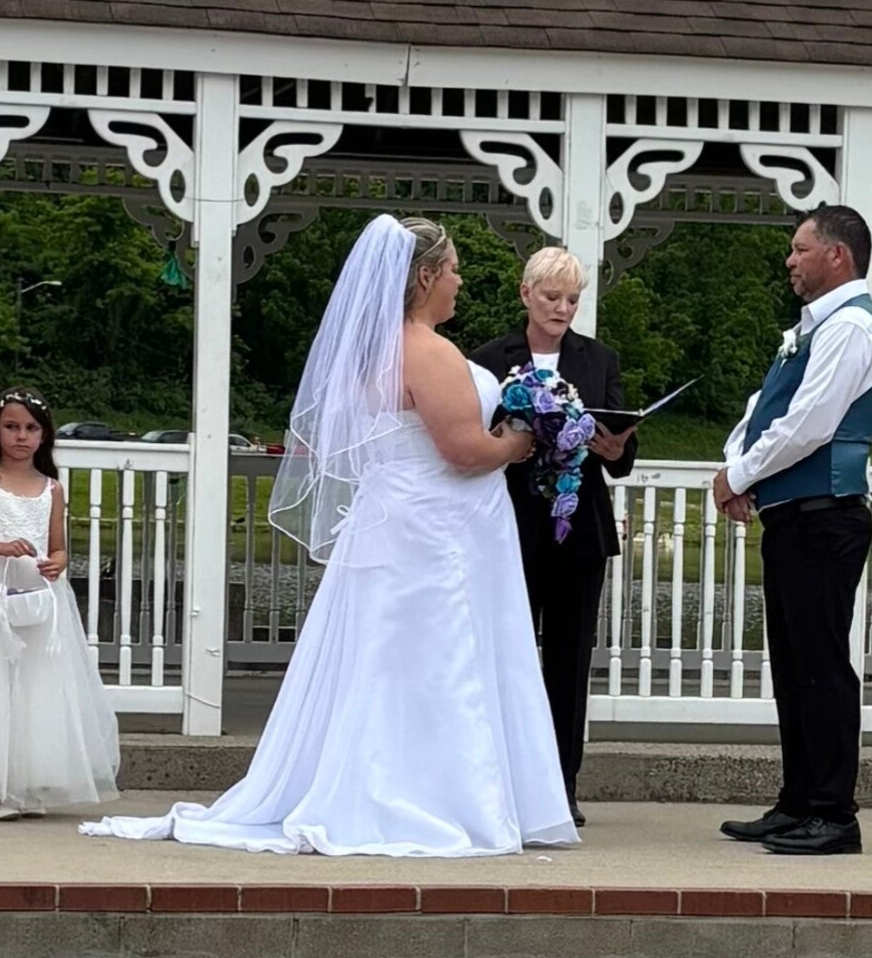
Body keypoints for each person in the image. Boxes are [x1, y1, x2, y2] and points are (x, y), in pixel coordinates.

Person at [81, 214, 578, 856]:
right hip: (437, 531)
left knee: (387, 660)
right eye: (453, 269)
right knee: (441, 658)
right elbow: (462, 450)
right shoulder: (426, 350)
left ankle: (400, 781)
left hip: (399, 519)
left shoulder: (375, 350)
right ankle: (443, 798)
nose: (459, 281)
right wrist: (519, 442)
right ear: (425, 276)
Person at [713, 206, 872, 855]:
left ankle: (834, 813)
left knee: (821, 666)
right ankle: (797, 802)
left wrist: (739, 476)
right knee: (793, 667)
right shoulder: (813, 329)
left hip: (826, 515)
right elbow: (765, 409)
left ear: (836, 255)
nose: (790, 260)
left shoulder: (850, 328)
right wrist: (736, 467)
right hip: (795, 515)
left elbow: (810, 423)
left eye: (800, 248)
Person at [471, 248, 638, 827]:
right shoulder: (488, 359)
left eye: (572, 299)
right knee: (504, 656)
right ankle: (500, 784)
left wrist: (614, 447)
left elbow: (622, 453)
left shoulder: (599, 359)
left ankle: (561, 788)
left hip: (579, 529)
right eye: (551, 297)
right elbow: (474, 437)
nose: (562, 308)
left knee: (569, 663)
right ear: (526, 294)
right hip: (510, 526)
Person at [0, 386, 119, 821]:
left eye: (31, 428)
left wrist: (58, 563)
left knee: (36, 689)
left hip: (39, 602)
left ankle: (26, 784)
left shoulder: (52, 488)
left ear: (44, 435)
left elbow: (58, 546)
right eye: (11, 427)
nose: (21, 436)